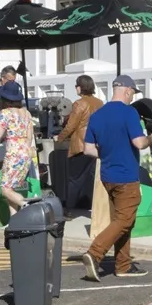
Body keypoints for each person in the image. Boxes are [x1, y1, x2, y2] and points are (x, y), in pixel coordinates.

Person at [82, 75, 152, 282]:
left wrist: (106, 154)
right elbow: (139, 143)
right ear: (128, 90)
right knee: (124, 219)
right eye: (133, 93)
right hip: (126, 176)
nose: (132, 97)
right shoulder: (130, 113)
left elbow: (87, 149)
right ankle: (95, 253)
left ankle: (123, 266)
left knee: (123, 221)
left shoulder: (97, 115)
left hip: (107, 176)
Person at [58, 75, 103, 209]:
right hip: (96, 144)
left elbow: (71, 126)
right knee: (91, 178)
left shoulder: (79, 103)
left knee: (74, 179)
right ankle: (93, 206)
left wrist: (59, 138)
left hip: (81, 144)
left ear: (80, 87)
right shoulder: (100, 103)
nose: (76, 88)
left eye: (76, 85)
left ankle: (69, 210)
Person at [0, 81, 36, 212]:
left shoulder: (6, 113)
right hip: (26, 153)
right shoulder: (27, 113)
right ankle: (13, 222)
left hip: (13, 153)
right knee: (11, 188)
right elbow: (30, 136)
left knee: (5, 189)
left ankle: (27, 206)